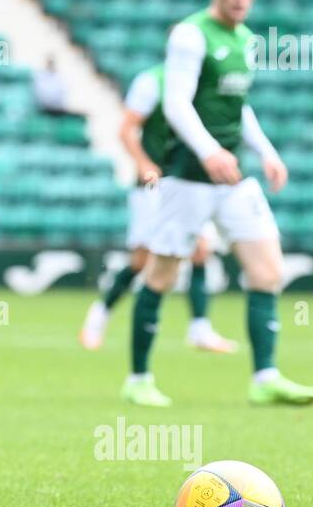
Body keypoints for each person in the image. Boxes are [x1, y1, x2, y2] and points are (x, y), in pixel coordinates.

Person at [121, 0, 313, 408]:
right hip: (188, 177)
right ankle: (138, 378)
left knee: (268, 271)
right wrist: (208, 149)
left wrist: (267, 152)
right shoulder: (191, 35)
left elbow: (238, 107)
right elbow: (176, 102)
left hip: (232, 176)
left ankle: (265, 377)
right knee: (161, 275)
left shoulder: (248, 39)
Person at [80, 64, 237, 353]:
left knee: (201, 249)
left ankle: (199, 328)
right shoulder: (152, 81)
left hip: (190, 182)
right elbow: (127, 129)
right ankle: (99, 315)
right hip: (156, 184)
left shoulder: (206, 85)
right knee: (141, 260)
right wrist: (143, 164)